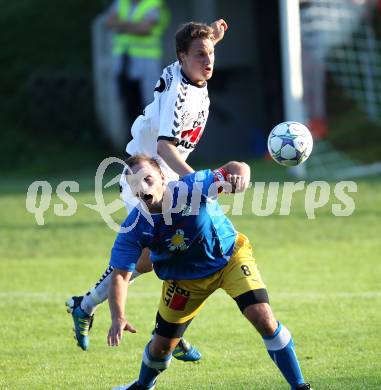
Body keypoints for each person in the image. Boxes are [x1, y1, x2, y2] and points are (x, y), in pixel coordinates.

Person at [66, 20, 228, 358]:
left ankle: (85, 305)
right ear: (183, 58)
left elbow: (197, 49)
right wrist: (199, 180)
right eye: (200, 55)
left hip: (161, 177)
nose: (208, 60)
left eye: (210, 53)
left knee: (147, 260)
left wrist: (210, 37)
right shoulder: (179, 97)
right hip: (148, 180)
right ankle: (169, 333)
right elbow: (166, 146)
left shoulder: (188, 69)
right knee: (173, 249)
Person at [107, 154, 312, 390]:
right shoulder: (135, 226)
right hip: (184, 281)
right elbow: (121, 275)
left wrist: (241, 175)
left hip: (229, 259)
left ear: (163, 177)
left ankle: (300, 386)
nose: (143, 188)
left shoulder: (193, 186)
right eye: (135, 185)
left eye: (148, 179)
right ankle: (142, 386)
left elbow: (236, 165)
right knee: (161, 347)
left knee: (262, 316)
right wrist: (118, 316)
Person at [106, 0, 170, 131]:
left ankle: (150, 146)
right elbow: (109, 22)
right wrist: (133, 26)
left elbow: (143, 29)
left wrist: (121, 25)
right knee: (129, 105)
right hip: (124, 62)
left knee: (148, 105)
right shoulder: (121, 2)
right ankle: (132, 147)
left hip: (147, 63)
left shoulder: (154, 4)